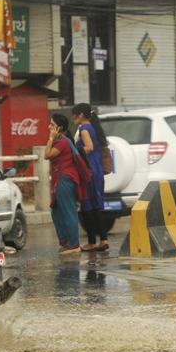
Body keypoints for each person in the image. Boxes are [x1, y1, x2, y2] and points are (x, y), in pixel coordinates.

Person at [44, 113, 86, 254]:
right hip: (59, 179)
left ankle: (74, 245)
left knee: (68, 211)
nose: (49, 127)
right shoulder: (60, 141)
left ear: (59, 128)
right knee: (56, 212)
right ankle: (65, 242)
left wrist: (50, 139)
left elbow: (47, 155)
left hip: (65, 179)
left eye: (52, 125)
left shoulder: (62, 142)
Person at [72, 103, 110, 252]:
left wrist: (75, 155)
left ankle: (92, 242)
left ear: (81, 115)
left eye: (74, 114)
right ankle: (104, 239)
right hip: (97, 170)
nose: (73, 118)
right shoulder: (95, 128)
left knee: (87, 206)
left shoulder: (84, 128)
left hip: (88, 171)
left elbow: (89, 147)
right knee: (96, 207)